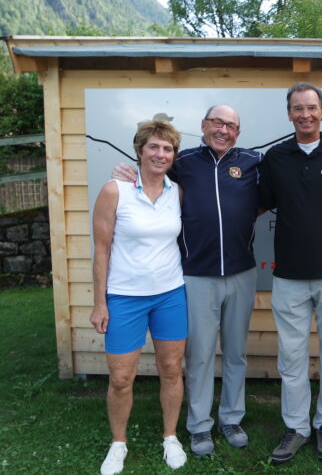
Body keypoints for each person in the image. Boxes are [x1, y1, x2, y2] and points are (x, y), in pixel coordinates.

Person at [112, 106, 261, 457]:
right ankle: (199, 426)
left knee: (236, 353)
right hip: (196, 275)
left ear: (238, 131)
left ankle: (232, 418)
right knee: (200, 355)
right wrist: (126, 171)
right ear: (204, 126)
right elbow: (150, 173)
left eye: (231, 125)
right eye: (217, 123)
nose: (223, 130)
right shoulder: (184, 162)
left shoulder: (254, 162)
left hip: (242, 272)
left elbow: (267, 200)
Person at [259, 82, 322, 464]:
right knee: (292, 356)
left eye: (312, 107)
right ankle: (297, 427)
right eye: (298, 108)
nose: (305, 114)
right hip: (289, 274)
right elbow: (263, 203)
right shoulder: (275, 157)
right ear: (289, 114)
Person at [91, 121, 187, 474]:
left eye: (167, 149)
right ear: (140, 150)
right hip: (124, 298)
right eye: (154, 147)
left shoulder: (176, 192)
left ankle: (170, 436)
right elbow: (101, 251)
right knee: (120, 378)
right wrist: (100, 302)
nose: (161, 154)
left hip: (170, 295)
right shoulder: (114, 191)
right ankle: (118, 444)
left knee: (171, 370)